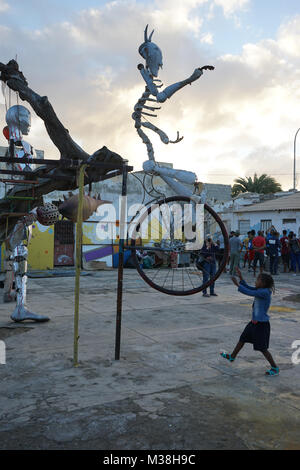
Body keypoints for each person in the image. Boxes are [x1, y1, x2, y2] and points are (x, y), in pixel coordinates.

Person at [220, 268, 279, 376]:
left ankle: (275, 367)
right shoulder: (261, 290)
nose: (256, 282)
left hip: (261, 325)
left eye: (258, 280)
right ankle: (232, 357)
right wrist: (241, 278)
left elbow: (249, 291)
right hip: (254, 323)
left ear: (264, 283)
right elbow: (250, 288)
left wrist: (237, 285)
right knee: (242, 339)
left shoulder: (265, 292)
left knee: (263, 348)